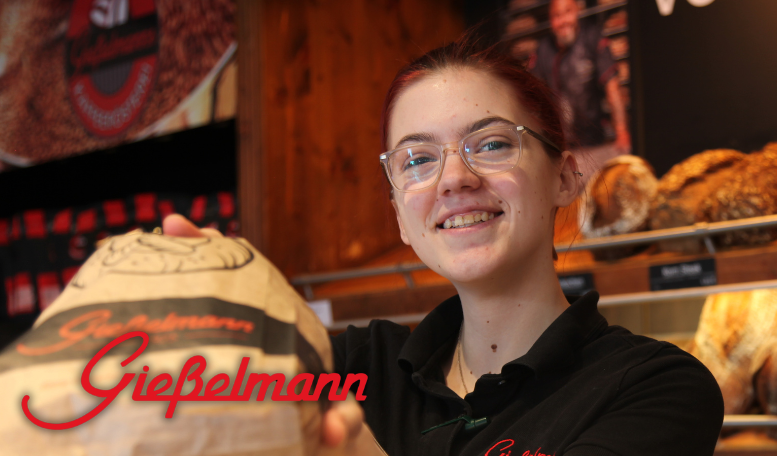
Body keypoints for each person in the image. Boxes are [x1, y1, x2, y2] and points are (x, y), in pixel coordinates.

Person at [164, 35, 722, 456]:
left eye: (492, 143)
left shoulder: (657, 387)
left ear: (565, 177)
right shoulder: (354, 366)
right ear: (401, 217)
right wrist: (204, 315)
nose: (454, 178)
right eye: (417, 159)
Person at [529, 0, 631, 153]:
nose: (563, 21)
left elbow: (612, 87)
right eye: (557, 15)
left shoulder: (592, 36)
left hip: (594, 139)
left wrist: (622, 131)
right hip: (560, 145)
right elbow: (533, 98)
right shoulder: (543, 50)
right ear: (550, 20)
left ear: (577, 11)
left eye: (568, 12)